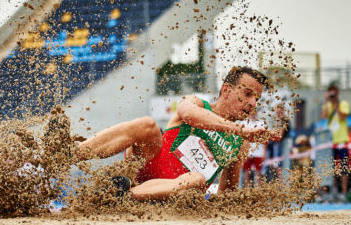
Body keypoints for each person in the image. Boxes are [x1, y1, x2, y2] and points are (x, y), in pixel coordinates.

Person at [76, 66, 282, 201]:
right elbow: (187, 113)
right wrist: (238, 129)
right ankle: (72, 153)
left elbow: (226, 195)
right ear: (226, 90)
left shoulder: (241, 144)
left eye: (257, 99)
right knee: (147, 124)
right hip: (145, 167)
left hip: (170, 192)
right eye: (247, 94)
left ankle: (117, 196)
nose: (252, 104)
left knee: (197, 180)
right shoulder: (197, 103)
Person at [321, 84, 349, 202]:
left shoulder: (343, 104)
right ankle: (332, 192)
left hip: (342, 141)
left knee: (344, 169)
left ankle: (343, 193)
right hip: (330, 142)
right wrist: (328, 101)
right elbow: (324, 116)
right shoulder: (327, 105)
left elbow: (343, 117)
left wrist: (336, 103)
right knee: (330, 169)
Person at [242, 110, 267, 188]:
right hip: (248, 152)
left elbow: (265, 140)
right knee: (247, 172)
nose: (253, 114)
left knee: (258, 172)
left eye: (254, 113)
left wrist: (264, 153)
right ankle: (247, 189)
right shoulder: (244, 123)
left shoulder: (262, 124)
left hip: (259, 152)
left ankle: (258, 189)